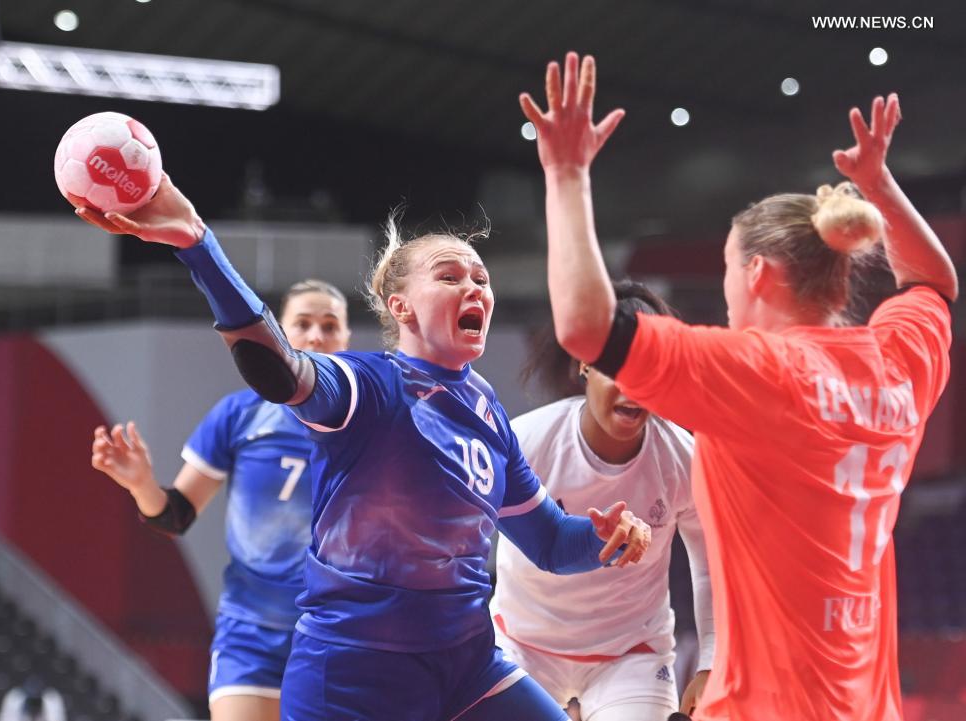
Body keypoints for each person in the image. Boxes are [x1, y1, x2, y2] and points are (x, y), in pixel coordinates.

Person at [70, 180, 653, 721]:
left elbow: (550, 541)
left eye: (481, 278)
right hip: (356, 671)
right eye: (450, 276)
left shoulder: (487, 411)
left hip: (467, 664)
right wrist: (198, 244)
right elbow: (277, 369)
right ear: (401, 307)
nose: (474, 286)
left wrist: (606, 538)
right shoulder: (368, 385)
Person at [522, 52, 957, 720]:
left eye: (726, 265)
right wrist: (878, 184)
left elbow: (585, 326)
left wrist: (566, 174)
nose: (725, 288)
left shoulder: (754, 371)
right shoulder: (897, 361)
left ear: (755, 273)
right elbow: (933, 283)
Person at [91, 279, 351, 721]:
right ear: (280, 335)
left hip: (337, 632)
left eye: (330, 326)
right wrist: (141, 484)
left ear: (345, 339)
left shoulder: (366, 423)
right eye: (303, 323)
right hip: (250, 631)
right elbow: (174, 517)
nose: (316, 336)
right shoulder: (239, 414)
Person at [491, 280, 714, 721]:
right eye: (617, 369)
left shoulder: (683, 458)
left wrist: (709, 663)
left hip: (631, 655)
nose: (633, 388)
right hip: (520, 647)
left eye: (648, 371)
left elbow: (711, 567)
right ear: (584, 365)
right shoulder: (525, 441)